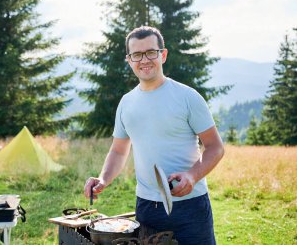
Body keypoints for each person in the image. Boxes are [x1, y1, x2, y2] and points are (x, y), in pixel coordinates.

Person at [84, 26, 224, 244]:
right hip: (147, 207)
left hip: (191, 207)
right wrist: (103, 178)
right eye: (137, 55)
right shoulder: (126, 103)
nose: (144, 60)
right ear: (129, 60)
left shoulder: (188, 97)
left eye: (151, 52)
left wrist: (192, 176)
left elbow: (215, 147)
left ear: (163, 55)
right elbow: (119, 150)